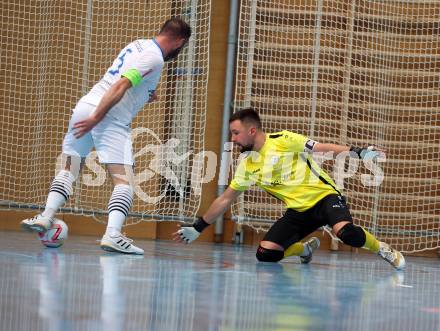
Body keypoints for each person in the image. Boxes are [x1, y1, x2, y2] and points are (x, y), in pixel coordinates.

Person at [21, 18, 192, 255]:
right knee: (124, 181)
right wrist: (96, 118)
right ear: (180, 42)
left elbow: (122, 80)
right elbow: (120, 85)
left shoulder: (138, 44)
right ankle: (113, 234)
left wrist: (146, 95)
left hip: (85, 104)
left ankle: (46, 216)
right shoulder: (155, 57)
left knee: (70, 168)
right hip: (108, 116)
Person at [173, 108, 406, 270]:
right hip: (298, 212)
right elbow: (226, 199)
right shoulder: (248, 165)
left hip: (325, 198)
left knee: (347, 234)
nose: (233, 139)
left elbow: (322, 147)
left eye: (236, 133)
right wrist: (198, 226)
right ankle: (303, 250)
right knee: (266, 255)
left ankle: (383, 249)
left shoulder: (283, 139)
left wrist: (359, 151)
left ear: (252, 131)